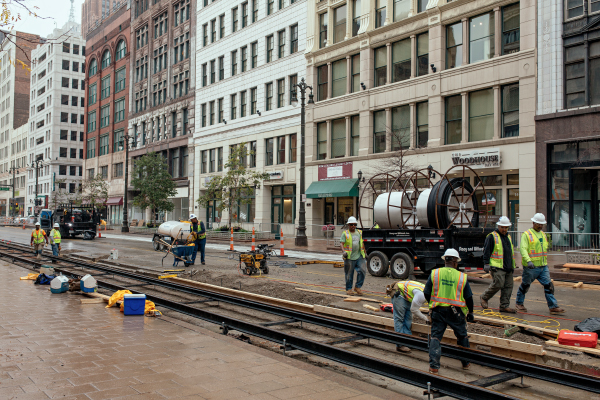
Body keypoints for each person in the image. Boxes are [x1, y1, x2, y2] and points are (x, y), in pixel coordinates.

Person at [424, 248, 474, 374]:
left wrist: (433, 304)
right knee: (462, 336)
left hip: (439, 310)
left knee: (435, 337)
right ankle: (466, 363)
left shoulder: (435, 273)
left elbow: (426, 292)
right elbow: (469, 297)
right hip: (456, 312)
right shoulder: (461, 277)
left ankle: (434, 366)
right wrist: (471, 313)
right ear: (455, 262)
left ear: (445, 260)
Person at [516, 213, 565, 315]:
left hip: (543, 266)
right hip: (531, 267)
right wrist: (528, 261)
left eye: (542, 224)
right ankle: (519, 303)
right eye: (538, 224)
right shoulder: (527, 234)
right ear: (533, 222)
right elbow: (523, 249)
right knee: (525, 285)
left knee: (549, 286)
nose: (540, 226)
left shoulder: (543, 234)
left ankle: (553, 306)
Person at [480, 216, 516, 313]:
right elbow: (486, 251)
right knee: (498, 283)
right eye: (502, 227)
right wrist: (486, 263)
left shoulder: (508, 237)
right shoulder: (492, 236)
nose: (504, 229)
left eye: (506, 228)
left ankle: (504, 306)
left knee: (508, 286)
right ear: (498, 226)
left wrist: (512, 265)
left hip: (508, 266)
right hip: (497, 266)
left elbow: (510, 252)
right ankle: (484, 297)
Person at [387, 280, 428, 353]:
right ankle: (399, 345)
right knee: (399, 319)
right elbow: (414, 309)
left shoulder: (427, 291)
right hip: (399, 294)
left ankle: (408, 341)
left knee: (408, 320)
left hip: (406, 296)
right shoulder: (421, 295)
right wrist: (425, 318)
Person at [339, 216, 367, 296]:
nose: (353, 226)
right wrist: (343, 251)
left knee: (362, 270)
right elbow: (341, 243)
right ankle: (349, 289)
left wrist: (365, 253)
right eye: (351, 224)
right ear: (348, 225)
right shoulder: (345, 233)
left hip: (359, 256)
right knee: (349, 274)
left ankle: (358, 287)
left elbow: (362, 243)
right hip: (349, 257)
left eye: (354, 224)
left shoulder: (359, 232)